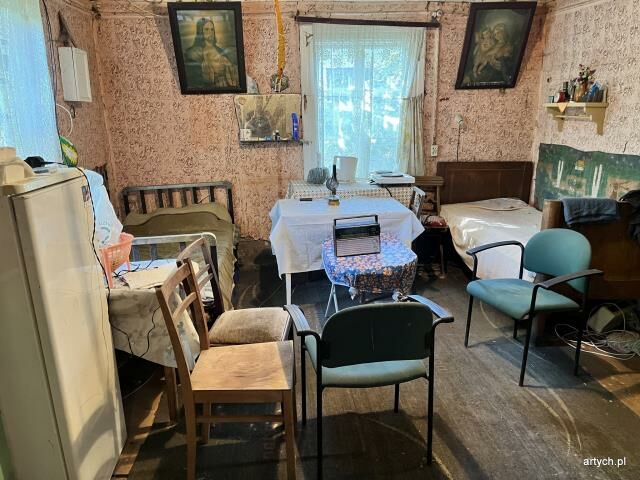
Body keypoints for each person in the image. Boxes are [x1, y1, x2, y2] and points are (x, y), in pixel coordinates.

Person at [185, 18, 238, 88]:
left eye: (212, 29)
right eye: (206, 29)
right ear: (200, 31)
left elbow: (232, 67)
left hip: (227, 85)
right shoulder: (194, 52)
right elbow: (195, 78)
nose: (210, 32)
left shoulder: (219, 50)